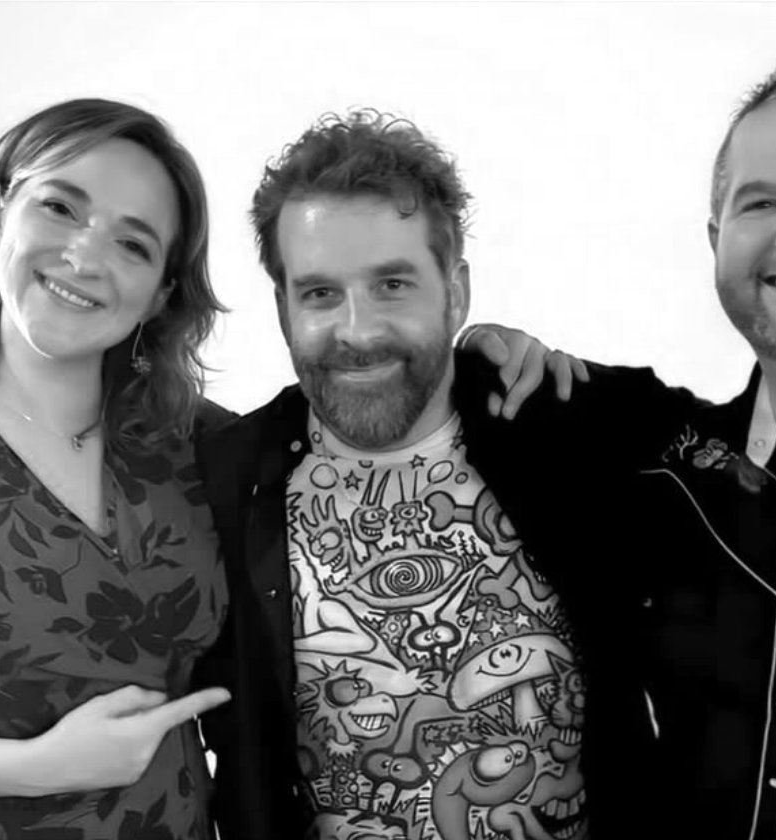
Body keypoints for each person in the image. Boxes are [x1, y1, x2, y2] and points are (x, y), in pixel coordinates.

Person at [459, 50, 776, 840]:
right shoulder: (668, 459)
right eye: (759, 203)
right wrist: (483, 344)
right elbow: (460, 384)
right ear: (716, 238)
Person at [195, 109, 653, 840]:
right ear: (282, 310)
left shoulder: (565, 430)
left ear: (457, 290)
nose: (358, 329)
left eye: (392, 285)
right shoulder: (221, 482)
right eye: (319, 293)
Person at [0, 98, 232, 840]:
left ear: (162, 294)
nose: (85, 256)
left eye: (133, 246)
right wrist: (38, 764)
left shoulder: (195, 444)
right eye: (60, 207)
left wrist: (490, 359)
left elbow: (359, 435)